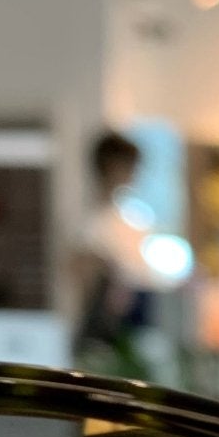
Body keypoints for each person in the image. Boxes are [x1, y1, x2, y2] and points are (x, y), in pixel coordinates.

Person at [73, 131, 158, 376]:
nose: (134, 174)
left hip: (131, 327)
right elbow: (83, 279)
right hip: (104, 332)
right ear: (112, 166)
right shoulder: (88, 222)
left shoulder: (128, 220)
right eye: (130, 166)